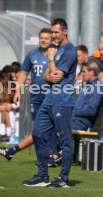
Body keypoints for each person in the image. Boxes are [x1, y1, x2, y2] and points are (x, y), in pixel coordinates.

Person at [23, 18, 77, 188]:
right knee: (38, 133)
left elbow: (57, 76)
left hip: (62, 101)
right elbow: (47, 77)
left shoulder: (69, 51)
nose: (53, 35)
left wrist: (51, 60)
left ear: (65, 32)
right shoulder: (55, 49)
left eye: (56, 32)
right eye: (52, 32)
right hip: (49, 100)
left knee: (65, 141)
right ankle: (42, 175)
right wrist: (50, 72)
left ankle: (63, 179)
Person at [0, 28, 53, 160]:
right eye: (41, 37)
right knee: (38, 129)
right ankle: (46, 157)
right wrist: (18, 90)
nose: (43, 40)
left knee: (43, 129)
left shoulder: (56, 55)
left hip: (52, 97)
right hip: (36, 98)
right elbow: (24, 73)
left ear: (51, 40)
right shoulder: (32, 54)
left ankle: (14, 152)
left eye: (46, 38)